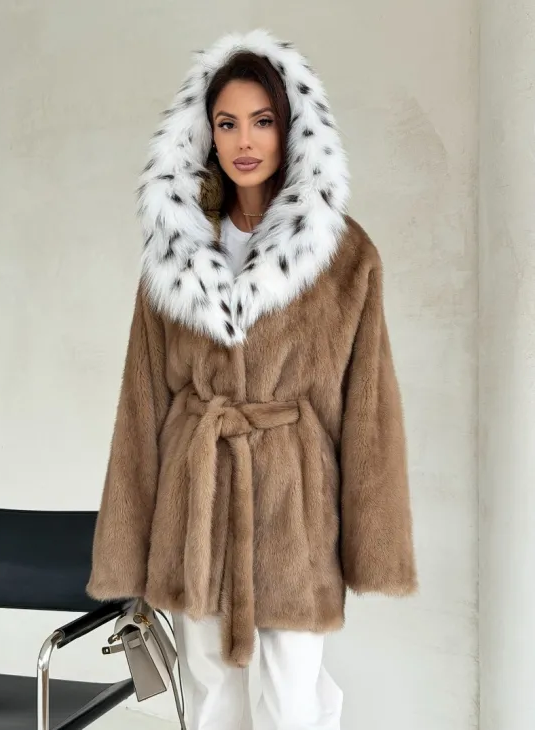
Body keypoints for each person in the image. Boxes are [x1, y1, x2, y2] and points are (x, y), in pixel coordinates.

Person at [86, 28, 418, 730]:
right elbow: (140, 405)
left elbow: (369, 407)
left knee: (292, 700)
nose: (244, 141)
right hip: (194, 506)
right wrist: (129, 547)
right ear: (204, 134)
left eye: (262, 121)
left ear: (291, 130)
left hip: (294, 509)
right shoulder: (175, 253)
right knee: (210, 701)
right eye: (227, 123)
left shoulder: (342, 252)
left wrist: (374, 543)